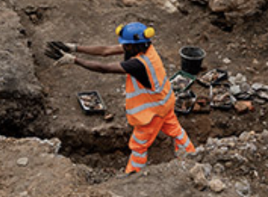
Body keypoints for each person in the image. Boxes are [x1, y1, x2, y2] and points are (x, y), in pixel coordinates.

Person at [45, 22, 195, 173]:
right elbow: (105, 51)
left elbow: (105, 68)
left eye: (126, 45)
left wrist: (74, 60)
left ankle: (133, 175)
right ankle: (191, 157)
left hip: (152, 113)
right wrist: (74, 47)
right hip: (165, 102)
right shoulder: (145, 47)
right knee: (176, 131)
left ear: (135, 45)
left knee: (138, 146)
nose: (124, 48)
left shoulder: (139, 63)